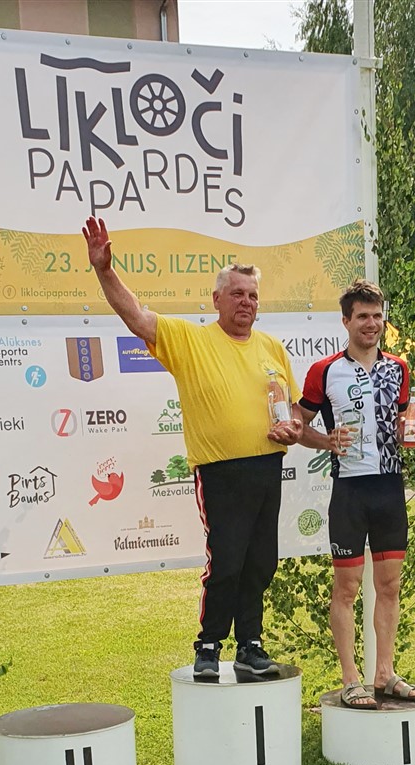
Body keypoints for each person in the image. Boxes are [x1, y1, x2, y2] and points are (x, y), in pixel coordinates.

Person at [82, 217, 302, 678]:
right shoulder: (190, 339)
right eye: (237, 293)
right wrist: (104, 269)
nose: (246, 302)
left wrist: (294, 430)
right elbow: (135, 316)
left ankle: (250, 645)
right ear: (216, 299)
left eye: (253, 295)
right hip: (220, 473)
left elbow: (296, 414)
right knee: (226, 563)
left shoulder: (272, 348)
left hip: (267, 468)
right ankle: (208, 646)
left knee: (260, 563)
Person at [298, 278, 415, 709]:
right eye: (362, 317)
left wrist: (412, 433)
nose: (371, 324)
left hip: (389, 487)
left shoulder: (399, 368)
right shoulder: (325, 371)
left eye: (377, 316)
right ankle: (350, 679)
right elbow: (297, 424)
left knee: (390, 585)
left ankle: (384, 674)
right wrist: (326, 441)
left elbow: (402, 425)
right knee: (347, 588)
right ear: (346, 321)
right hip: (350, 492)